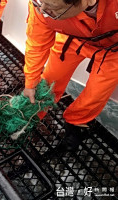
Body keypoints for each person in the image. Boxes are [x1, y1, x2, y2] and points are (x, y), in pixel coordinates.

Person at [23, 0, 118, 151]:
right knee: (48, 82)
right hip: (72, 38)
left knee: (95, 96)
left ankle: (76, 121)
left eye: (53, 8)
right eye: (39, 2)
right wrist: (30, 81)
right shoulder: (41, 5)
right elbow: (37, 43)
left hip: (113, 51)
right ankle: (29, 117)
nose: (42, 9)